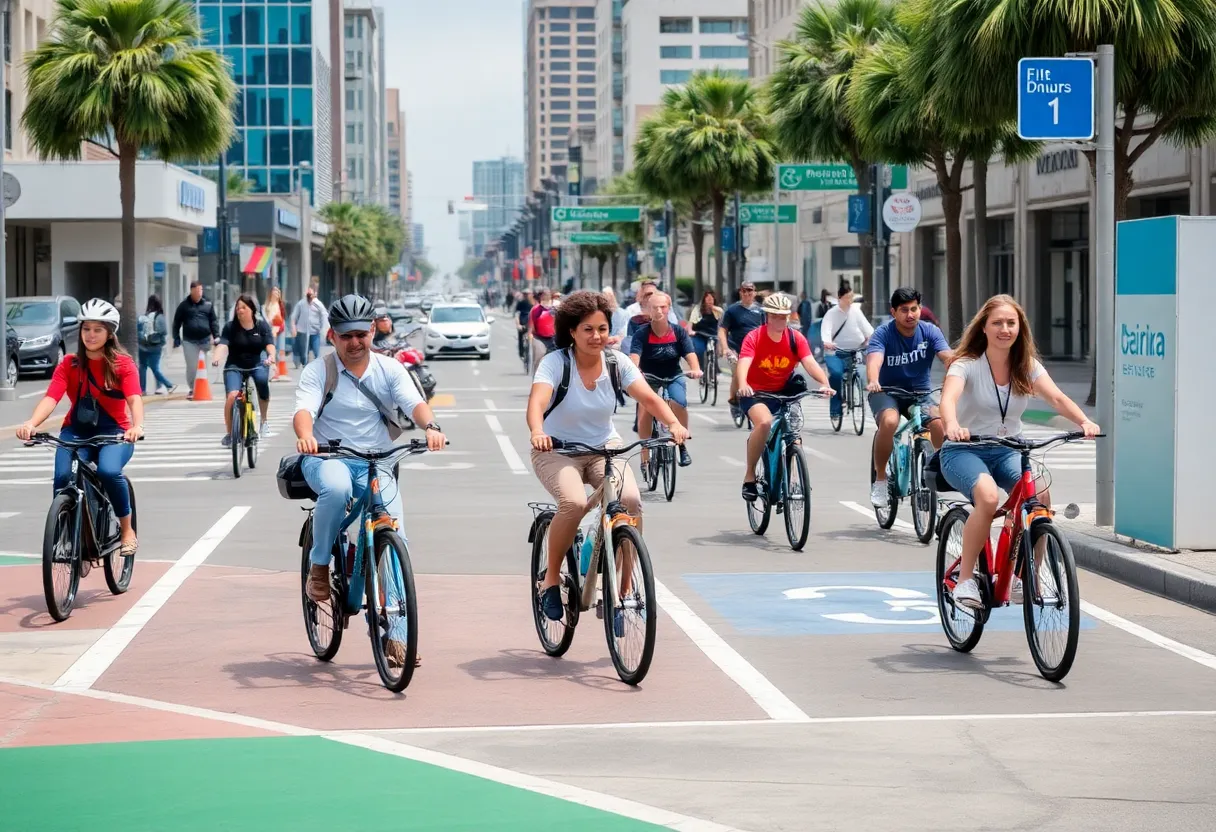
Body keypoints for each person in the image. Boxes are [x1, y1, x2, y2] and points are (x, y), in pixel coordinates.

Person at [294, 294, 447, 669]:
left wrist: (431, 426)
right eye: (346, 335)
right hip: (328, 458)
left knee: (395, 536)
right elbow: (303, 410)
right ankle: (318, 565)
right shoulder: (319, 371)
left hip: (378, 463)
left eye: (361, 334)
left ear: (373, 332)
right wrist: (306, 434)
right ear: (333, 336)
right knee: (337, 487)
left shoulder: (390, 369)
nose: (355, 342)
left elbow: (415, 403)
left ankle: (396, 636)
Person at [527, 290, 690, 622]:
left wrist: (672, 422)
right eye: (587, 329)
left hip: (605, 447)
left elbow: (648, 397)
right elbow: (537, 403)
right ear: (572, 331)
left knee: (630, 500)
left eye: (601, 328)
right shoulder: (556, 363)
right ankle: (551, 580)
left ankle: (623, 591)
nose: (596, 336)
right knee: (572, 503)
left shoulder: (617, 362)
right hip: (557, 450)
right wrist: (537, 431)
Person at [938, 296, 1098, 608]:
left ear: (1020, 328)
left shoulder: (1026, 366)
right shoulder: (966, 365)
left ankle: (1026, 577)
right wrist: (953, 423)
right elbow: (948, 398)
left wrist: (1084, 421)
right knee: (987, 497)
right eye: (997, 322)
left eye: (1011, 323)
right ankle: (967, 580)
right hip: (963, 449)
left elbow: (1056, 398)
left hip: (1009, 448)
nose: (1005, 329)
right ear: (984, 327)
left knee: (1040, 495)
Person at [16, 300, 143, 556]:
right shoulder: (69, 364)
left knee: (108, 471)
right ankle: (66, 535)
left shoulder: (122, 364)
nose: (91, 335)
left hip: (115, 432)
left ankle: (127, 530)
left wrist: (137, 426)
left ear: (110, 333)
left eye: (98, 329)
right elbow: (51, 398)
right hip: (76, 432)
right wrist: (32, 423)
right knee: (63, 478)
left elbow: (134, 399)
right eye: (87, 329)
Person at [735, 294, 834, 501]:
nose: (781, 321)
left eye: (784, 317)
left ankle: (789, 475)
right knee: (764, 423)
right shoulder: (754, 337)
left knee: (794, 433)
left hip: (784, 393)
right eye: (776, 316)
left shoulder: (795, 338)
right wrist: (743, 384)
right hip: (755, 393)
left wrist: (824, 383)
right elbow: (744, 363)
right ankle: (750, 476)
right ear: (767, 317)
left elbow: (810, 362)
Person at [865, 287, 952, 507]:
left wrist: (956, 372)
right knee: (890, 422)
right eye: (904, 310)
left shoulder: (930, 332)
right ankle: (881, 479)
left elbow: (947, 357)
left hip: (921, 394)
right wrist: (873, 379)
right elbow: (874, 360)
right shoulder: (883, 333)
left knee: (939, 423)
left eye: (914, 309)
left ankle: (939, 474)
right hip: (886, 392)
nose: (910, 314)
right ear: (893, 312)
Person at [629, 291, 701, 468]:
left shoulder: (678, 332)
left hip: (673, 375)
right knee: (645, 409)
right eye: (655, 307)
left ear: (669, 309)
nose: (659, 311)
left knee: (680, 402)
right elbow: (634, 358)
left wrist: (695, 369)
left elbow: (690, 354)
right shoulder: (642, 333)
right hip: (649, 378)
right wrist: (636, 370)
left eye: (663, 307)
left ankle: (681, 443)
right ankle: (645, 452)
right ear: (648, 310)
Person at [213, 294, 276, 443]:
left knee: (261, 383)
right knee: (232, 395)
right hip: (234, 365)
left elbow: (269, 345)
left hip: (257, 364)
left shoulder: (261, 326)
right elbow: (223, 344)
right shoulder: (230, 327)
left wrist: (271, 356)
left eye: (243, 307)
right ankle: (230, 433)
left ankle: (264, 422)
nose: (239, 310)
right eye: (237, 308)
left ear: (252, 310)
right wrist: (217, 356)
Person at [820, 280, 874, 420]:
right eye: (847, 298)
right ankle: (836, 410)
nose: (850, 301)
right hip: (835, 352)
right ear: (840, 298)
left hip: (854, 350)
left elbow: (867, 328)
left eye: (851, 297)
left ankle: (857, 399)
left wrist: (870, 339)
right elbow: (826, 329)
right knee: (837, 375)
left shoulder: (856, 311)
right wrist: (827, 342)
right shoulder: (831, 313)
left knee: (859, 373)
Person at [718, 281, 764, 416]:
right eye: (744, 291)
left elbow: (767, 330)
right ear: (740, 293)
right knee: (738, 373)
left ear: (754, 293)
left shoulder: (761, 311)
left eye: (750, 291)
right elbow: (722, 330)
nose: (747, 294)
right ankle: (734, 401)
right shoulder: (732, 310)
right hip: (736, 348)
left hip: (755, 348)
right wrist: (725, 348)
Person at [172, 281, 220, 399]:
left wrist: (217, 336)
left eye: (201, 290)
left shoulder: (208, 305)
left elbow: (213, 321)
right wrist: (176, 337)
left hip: (204, 340)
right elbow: (176, 322)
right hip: (190, 341)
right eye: (197, 291)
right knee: (192, 366)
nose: (199, 293)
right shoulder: (184, 306)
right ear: (192, 291)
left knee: (203, 366)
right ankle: (193, 388)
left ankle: (202, 386)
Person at [621, 279, 680, 354]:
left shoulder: (664, 309)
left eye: (652, 294)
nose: (649, 298)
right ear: (641, 295)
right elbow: (626, 331)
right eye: (647, 294)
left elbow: (674, 325)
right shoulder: (631, 310)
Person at [137, 294, 176, 395]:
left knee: (143, 367)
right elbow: (164, 332)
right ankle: (169, 385)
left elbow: (139, 330)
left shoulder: (144, 316)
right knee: (155, 368)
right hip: (155, 346)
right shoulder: (160, 317)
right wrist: (162, 343)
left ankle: (142, 389)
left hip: (142, 346)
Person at [291, 287, 327, 367]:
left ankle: (318, 366)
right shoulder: (301, 304)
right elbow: (294, 316)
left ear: (315, 294)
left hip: (315, 332)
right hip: (302, 332)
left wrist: (323, 328)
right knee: (304, 352)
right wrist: (293, 327)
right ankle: (305, 364)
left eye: (311, 294)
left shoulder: (318, 304)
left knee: (316, 351)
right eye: (308, 294)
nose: (310, 296)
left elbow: (324, 315)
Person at [688, 290, 723, 369]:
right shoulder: (698, 309)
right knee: (699, 350)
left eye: (711, 299)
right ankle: (701, 369)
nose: (710, 301)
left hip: (713, 334)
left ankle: (714, 368)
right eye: (708, 299)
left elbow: (722, 314)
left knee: (715, 351)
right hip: (699, 334)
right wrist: (690, 331)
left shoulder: (717, 310)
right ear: (704, 300)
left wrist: (712, 307)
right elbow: (691, 322)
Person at [263, 286, 288, 381]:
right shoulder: (267, 305)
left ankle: (278, 372)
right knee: (271, 351)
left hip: (280, 330)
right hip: (270, 330)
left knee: (279, 351)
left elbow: (283, 317)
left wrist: (280, 327)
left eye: (277, 293)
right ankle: (273, 372)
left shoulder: (280, 305)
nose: (276, 295)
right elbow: (266, 318)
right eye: (274, 293)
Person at [529, 288, 558, 367]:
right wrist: (531, 336)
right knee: (539, 356)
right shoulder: (535, 309)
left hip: (554, 337)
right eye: (544, 295)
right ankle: (537, 377)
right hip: (539, 337)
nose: (546, 296)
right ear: (540, 297)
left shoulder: (556, 307)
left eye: (548, 294)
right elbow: (531, 326)